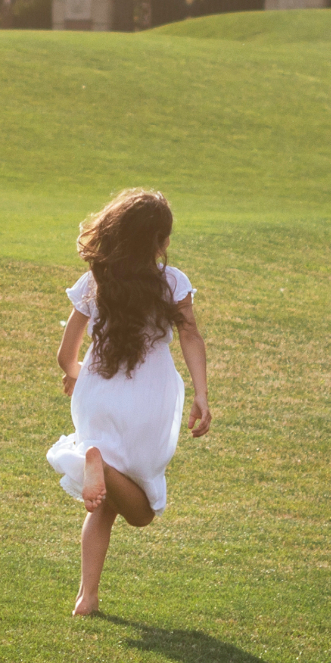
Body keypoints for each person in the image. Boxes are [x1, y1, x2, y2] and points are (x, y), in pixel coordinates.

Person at [50, 186, 212, 618]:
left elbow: (66, 355)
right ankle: (95, 460)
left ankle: (87, 597)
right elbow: (191, 335)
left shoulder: (94, 282)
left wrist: (77, 376)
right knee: (141, 513)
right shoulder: (172, 283)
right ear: (158, 242)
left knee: (104, 505)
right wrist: (201, 394)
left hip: (97, 398)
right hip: (147, 403)